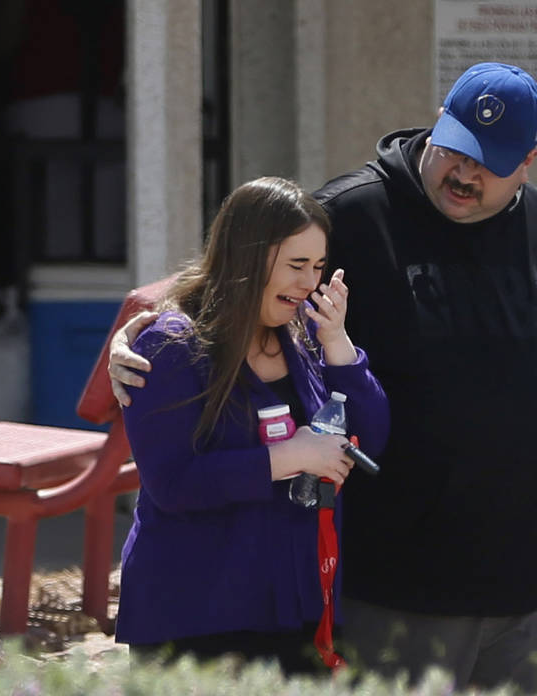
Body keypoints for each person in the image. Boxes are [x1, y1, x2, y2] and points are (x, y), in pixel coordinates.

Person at [109, 64, 537, 692]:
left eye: (488, 162)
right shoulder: (352, 213)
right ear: (439, 123)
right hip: (401, 593)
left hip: (536, 589)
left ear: (529, 161)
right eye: (457, 150)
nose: (465, 174)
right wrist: (141, 328)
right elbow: (247, 268)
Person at [114, 176, 390, 676]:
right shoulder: (170, 345)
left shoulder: (302, 334)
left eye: (319, 268)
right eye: (296, 266)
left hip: (297, 610)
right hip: (194, 617)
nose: (310, 283)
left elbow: (369, 439)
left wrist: (339, 345)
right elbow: (171, 484)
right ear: (247, 258)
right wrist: (288, 458)